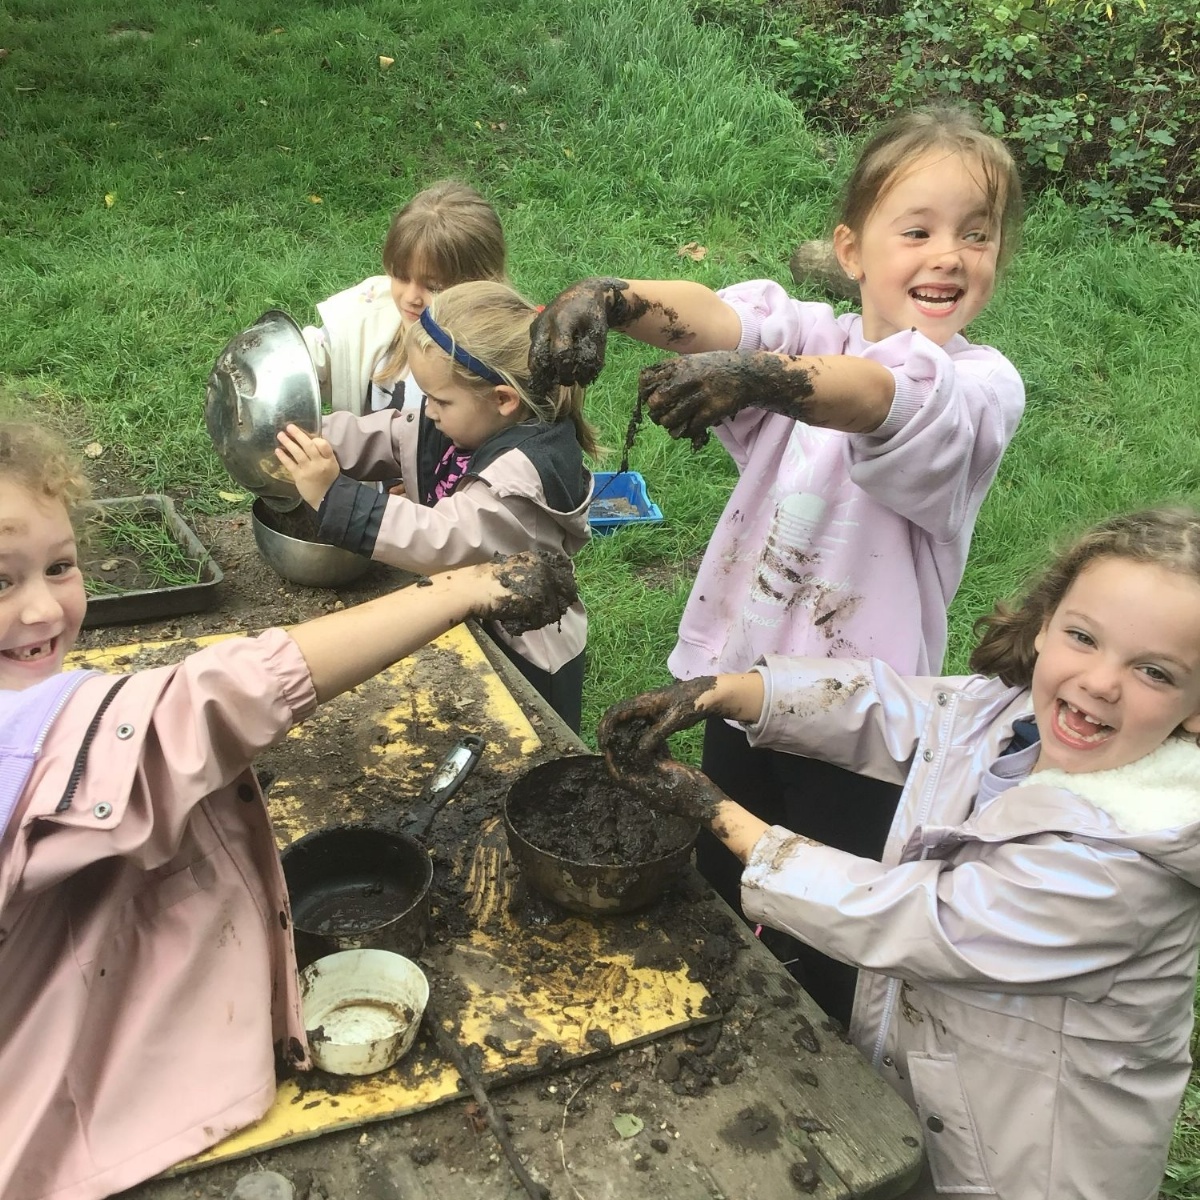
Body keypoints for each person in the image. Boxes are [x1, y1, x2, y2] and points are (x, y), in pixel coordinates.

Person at [529, 104, 1026, 1020]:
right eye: (916, 230)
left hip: (860, 719)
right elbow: (723, 317)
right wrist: (612, 297)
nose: (948, 254)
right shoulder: (815, 333)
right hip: (741, 681)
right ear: (852, 249)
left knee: (827, 911)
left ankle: (830, 1056)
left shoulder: (980, 390)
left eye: (976, 235)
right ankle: (730, 1014)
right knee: (718, 863)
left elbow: (881, 398)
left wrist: (766, 380)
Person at [0, 420, 577, 1200]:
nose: (41, 611)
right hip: (57, 1125)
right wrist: (462, 588)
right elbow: (212, 701)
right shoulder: (20, 743)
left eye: (59, 567)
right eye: (3, 581)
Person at [598, 506, 1200, 1200]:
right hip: (938, 1091)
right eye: (1083, 636)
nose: (1100, 680)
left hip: (1033, 1163)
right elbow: (897, 711)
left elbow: (913, 919)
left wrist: (712, 809)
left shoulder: (1128, 861)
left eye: (1153, 671)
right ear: (1045, 624)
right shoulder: (1010, 717)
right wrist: (730, 691)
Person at [276, 280, 597, 732]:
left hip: (524, 659)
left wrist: (335, 495)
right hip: (474, 626)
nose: (427, 411)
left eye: (439, 400)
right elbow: (393, 435)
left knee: (531, 753)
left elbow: (444, 540)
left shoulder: (518, 479)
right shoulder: (469, 422)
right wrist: (314, 438)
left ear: (502, 399)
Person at [301, 179, 507, 416]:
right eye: (400, 276)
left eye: (434, 287)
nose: (410, 298)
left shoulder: (500, 357)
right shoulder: (371, 310)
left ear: (482, 285)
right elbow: (308, 356)